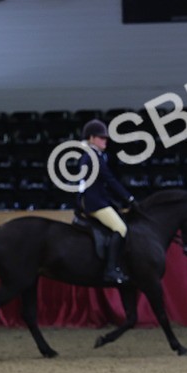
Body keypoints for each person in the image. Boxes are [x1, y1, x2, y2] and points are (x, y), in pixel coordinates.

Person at [78, 119, 134, 284]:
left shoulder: (94, 155)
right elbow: (109, 179)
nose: (105, 141)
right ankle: (110, 270)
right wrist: (128, 197)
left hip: (96, 199)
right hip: (94, 203)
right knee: (120, 228)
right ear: (92, 138)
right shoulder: (92, 156)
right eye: (102, 138)